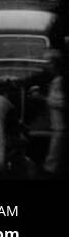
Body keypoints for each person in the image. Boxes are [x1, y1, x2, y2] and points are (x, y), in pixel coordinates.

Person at [43, 48, 64, 179]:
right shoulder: (56, 81)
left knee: (55, 153)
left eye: (50, 63)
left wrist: (47, 100)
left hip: (61, 126)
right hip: (57, 125)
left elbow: (59, 101)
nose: (48, 66)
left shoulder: (60, 82)